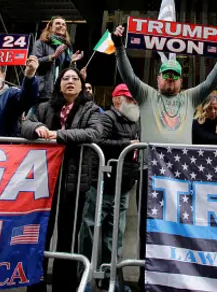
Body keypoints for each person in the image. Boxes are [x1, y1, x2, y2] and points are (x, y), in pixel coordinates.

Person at [111, 24, 217, 287]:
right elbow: (128, 73)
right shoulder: (145, 95)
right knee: (147, 229)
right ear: (158, 79)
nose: (169, 78)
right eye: (165, 74)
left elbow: (211, 81)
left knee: (178, 230)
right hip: (149, 173)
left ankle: (176, 279)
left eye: (173, 76)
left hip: (181, 176)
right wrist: (120, 47)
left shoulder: (190, 98)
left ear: (181, 81)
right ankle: (145, 278)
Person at [21, 67, 102, 292]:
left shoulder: (91, 109)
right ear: (58, 83)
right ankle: (35, 285)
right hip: (44, 180)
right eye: (65, 78)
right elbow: (25, 125)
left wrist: (58, 135)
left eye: (75, 79)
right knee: (41, 233)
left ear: (80, 84)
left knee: (68, 235)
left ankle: (63, 286)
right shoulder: (44, 106)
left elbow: (95, 133)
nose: (70, 82)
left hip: (73, 181)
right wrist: (37, 127)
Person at [80, 84, 139, 292]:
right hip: (103, 185)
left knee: (115, 237)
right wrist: (127, 144)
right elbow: (99, 140)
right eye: (130, 99)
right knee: (89, 231)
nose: (134, 103)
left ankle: (108, 279)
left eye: (134, 100)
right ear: (117, 100)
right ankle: (85, 277)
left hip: (123, 187)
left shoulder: (134, 122)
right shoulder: (107, 118)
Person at [32, 16, 83, 102]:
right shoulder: (40, 43)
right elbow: (34, 63)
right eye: (58, 23)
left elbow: (67, 71)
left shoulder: (67, 48)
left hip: (60, 93)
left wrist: (72, 62)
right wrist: (53, 56)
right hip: (42, 92)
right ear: (50, 27)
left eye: (63, 24)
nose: (61, 26)